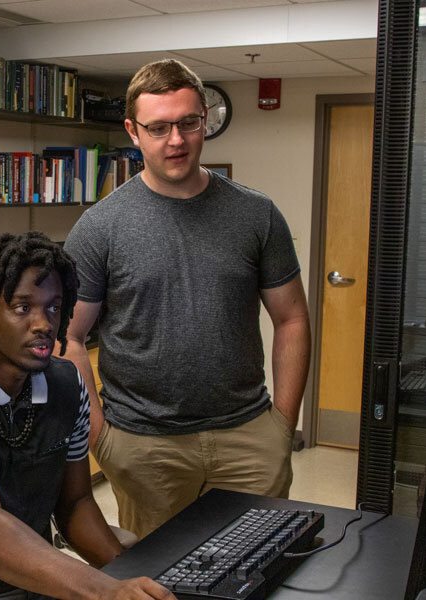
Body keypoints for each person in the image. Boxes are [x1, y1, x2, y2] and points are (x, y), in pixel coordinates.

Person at [63, 59, 311, 540]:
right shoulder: (99, 227)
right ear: (134, 132)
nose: (175, 140)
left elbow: (292, 318)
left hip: (249, 437)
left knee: (260, 568)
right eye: (158, 128)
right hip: (144, 445)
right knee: (160, 582)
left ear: (204, 121)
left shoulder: (256, 215)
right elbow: (69, 337)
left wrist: (282, 426)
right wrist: (101, 437)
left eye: (188, 123)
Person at [0, 232, 174, 600]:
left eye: (53, 307)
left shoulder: (67, 384)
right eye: (23, 307)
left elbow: (74, 505)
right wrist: (105, 591)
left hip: (35, 584)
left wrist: (133, 579)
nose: (43, 323)